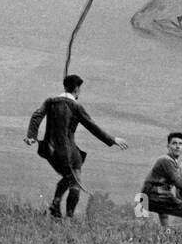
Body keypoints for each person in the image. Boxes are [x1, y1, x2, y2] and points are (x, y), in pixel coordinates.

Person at [25, 74, 127, 218]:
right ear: (77, 88)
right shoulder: (76, 106)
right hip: (69, 153)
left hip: (49, 149)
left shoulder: (50, 101)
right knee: (76, 180)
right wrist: (112, 139)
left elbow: (37, 115)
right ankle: (69, 215)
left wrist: (31, 136)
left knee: (68, 176)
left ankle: (56, 203)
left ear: (65, 86)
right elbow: (92, 126)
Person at [139, 132, 182, 234]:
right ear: (168, 146)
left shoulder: (173, 163)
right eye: (174, 143)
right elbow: (180, 184)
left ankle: (166, 239)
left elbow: (179, 185)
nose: (177, 146)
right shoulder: (165, 160)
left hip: (148, 198)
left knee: (164, 214)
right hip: (151, 197)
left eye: (180, 144)